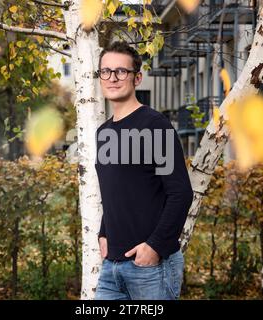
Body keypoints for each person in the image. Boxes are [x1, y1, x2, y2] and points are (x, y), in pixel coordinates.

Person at [94, 41, 194, 300]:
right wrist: (104, 233)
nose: (112, 78)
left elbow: (181, 193)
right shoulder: (103, 133)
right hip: (111, 267)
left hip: (150, 268)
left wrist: (155, 247)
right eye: (105, 71)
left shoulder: (154, 126)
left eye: (121, 71)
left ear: (137, 78)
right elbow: (117, 191)